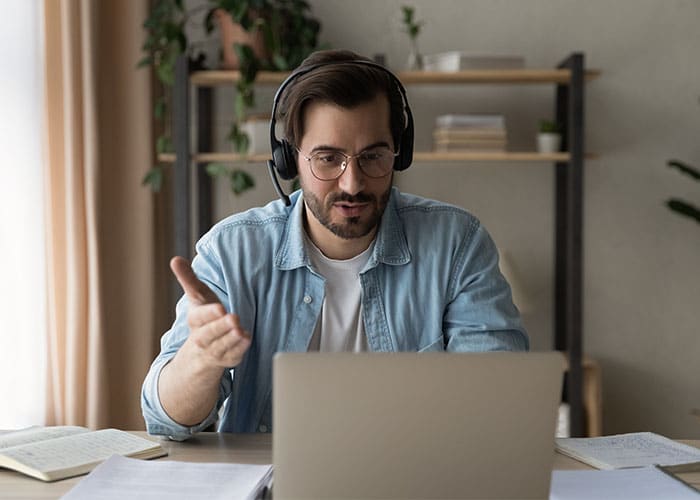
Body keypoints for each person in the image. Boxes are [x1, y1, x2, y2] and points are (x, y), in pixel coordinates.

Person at [141, 49, 528, 440]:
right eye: (328, 158)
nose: (352, 183)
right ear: (290, 159)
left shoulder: (457, 243)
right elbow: (167, 421)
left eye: (373, 157)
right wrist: (200, 360)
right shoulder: (232, 251)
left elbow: (501, 405)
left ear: (400, 152)